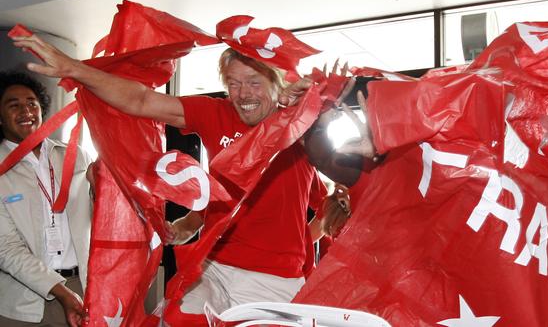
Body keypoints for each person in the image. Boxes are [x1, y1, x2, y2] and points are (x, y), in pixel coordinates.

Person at [11, 34, 328, 315]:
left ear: (277, 83)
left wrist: (313, 107)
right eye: (233, 83)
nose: (243, 94)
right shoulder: (214, 112)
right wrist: (73, 69)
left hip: (273, 278)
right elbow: (141, 100)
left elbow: (329, 202)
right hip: (212, 267)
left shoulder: (298, 123)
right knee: (169, 318)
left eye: (254, 83)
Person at [0, 71, 93, 327]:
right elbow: (6, 249)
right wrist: (61, 292)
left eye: (32, 103)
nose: (26, 110)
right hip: (21, 301)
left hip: (80, 287)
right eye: (13, 105)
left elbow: (98, 217)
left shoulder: (76, 156)